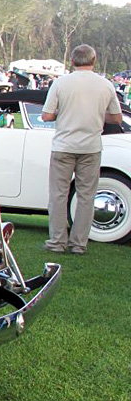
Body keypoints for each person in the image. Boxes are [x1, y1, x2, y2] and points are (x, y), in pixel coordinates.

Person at [40, 44, 122, 254]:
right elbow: (116, 117)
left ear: (72, 61)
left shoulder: (61, 83)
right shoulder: (105, 84)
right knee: (86, 196)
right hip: (91, 146)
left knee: (58, 194)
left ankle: (57, 241)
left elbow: (46, 115)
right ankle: (79, 243)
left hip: (64, 145)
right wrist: (95, 115)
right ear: (94, 61)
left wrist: (64, 113)